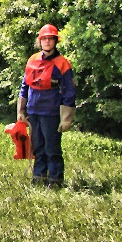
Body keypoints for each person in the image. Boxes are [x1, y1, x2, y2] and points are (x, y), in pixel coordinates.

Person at [17, 23, 76, 188]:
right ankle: (39, 177)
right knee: (38, 147)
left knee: (52, 148)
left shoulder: (62, 63)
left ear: (55, 41)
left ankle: (55, 180)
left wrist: (66, 119)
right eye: (44, 39)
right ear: (40, 41)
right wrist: (21, 110)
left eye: (50, 39)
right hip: (33, 111)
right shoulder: (32, 60)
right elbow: (24, 86)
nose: (47, 42)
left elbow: (69, 92)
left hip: (51, 112)